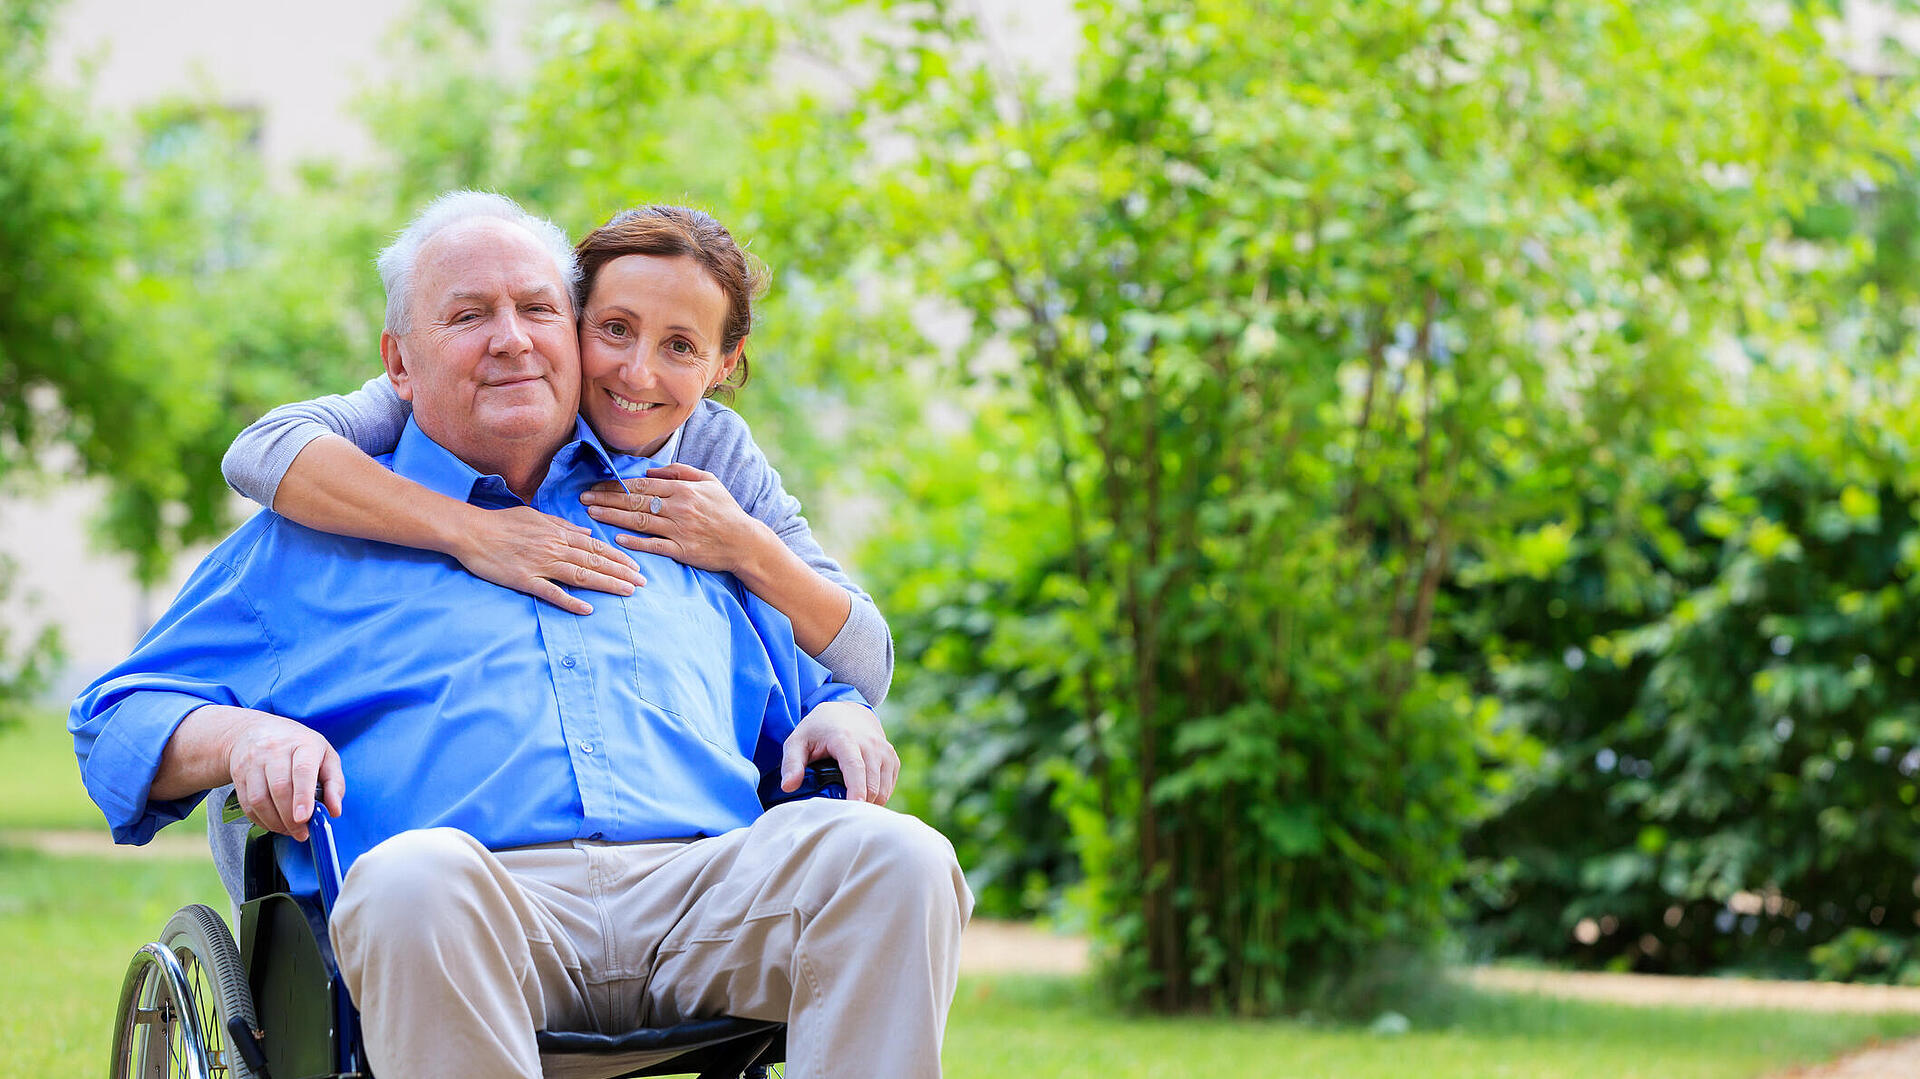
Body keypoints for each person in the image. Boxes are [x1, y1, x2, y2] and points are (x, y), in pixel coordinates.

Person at [71, 191, 971, 1079]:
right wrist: (244, 734)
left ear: (570, 333)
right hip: (472, 905)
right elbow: (114, 718)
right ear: (398, 362)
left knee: (900, 859)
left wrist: (846, 708)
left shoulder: (689, 510)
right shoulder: (310, 537)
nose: (511, 338)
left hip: (706, 889)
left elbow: (825, 670)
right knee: (411, 879)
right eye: (468, 315)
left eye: (538, 308)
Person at [221, 206, 891, 706]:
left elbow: (867, 661)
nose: (636, 373)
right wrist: (472, 531)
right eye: (615, 329)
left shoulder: (715, 453)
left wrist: (745, 546)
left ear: (724, 363)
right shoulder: (483, 397)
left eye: (681, 346)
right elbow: (261, 449)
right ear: (572, 319)